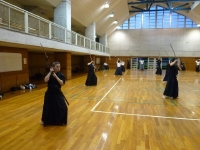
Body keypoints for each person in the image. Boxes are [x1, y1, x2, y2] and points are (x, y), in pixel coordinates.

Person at [41, 62, 68, 126]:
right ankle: (48, 121)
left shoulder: (61, 74)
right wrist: (50, 72)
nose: (59, 68)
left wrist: (56, 77)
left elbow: (62, 83)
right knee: (48, 107)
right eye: (57, 66)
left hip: (58, 92)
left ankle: (61, 121)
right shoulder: (49, 74)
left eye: (59, 66)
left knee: (63, 107)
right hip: (49, 93)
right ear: (53, 67)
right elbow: (45, 80)